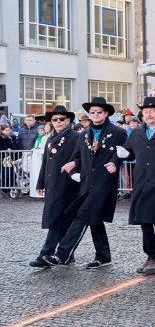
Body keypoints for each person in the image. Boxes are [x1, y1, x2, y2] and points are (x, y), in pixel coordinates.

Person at [43, 97, 127, 269]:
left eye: (99, 112)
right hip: (87, 183)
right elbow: (78, 157)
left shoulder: (117, 132)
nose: (95, 115)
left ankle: (62, 254)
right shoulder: (84, 134)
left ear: (106, 114)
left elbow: (123, 152)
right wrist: (72, 165)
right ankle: (103, 256)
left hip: (104, 183)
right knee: (95, 219)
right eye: (92, 112)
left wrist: (115, 162)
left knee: (83, 215)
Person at [116, 97, 155, 275]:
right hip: (141, 180)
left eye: (152, 110)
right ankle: (154, 256)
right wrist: (124, 154)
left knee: (148, 218)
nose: (149, 113)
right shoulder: (136, 132)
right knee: (145, 220)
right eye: (146, 111)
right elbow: (129, 152)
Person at [29, 106, 79, 267]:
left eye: (61, 119)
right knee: (61, 220)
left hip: (68, 184)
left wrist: (75, 164)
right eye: (55, 119)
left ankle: (45, 253)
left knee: (57, 219)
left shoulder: (76, 137)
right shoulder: (50, 138)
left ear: (68, 120)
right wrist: (40, 182)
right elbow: (45, 162)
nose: (58, 122)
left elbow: (82, 158)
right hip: (52, 183)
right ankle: (67, 255)